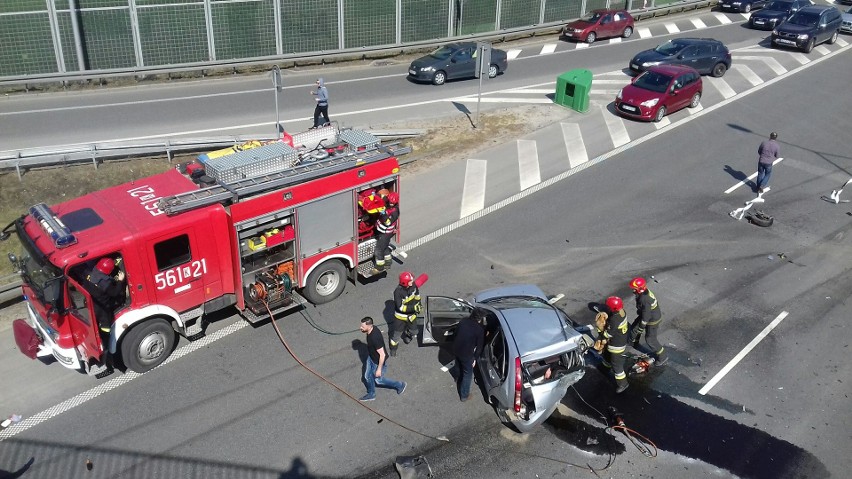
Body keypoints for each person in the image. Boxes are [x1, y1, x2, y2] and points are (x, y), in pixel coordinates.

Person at [359, 316, 406, 401]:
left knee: (379, 380)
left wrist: (379, 369)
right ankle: (371, 394)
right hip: (371, 357)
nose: (360, 328)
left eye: (362, 326)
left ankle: (400, 385)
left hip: (377, 362)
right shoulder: (372, 329)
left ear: (369, 326)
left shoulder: (374, 338)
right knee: (367, 376)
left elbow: (382, 355)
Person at [627, 277, 668, 366]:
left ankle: (662, 356)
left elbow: (646, 315)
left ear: (640, 289)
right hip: (646, 315)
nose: (633, 290)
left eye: (634, 288)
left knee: (650, 339)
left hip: (652, 320)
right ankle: (633, 342)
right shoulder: (643, 294)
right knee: (634, 328)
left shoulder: (644, 299)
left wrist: (642, 326)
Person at [593, 296, 630, 394]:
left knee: (616, 364)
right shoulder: (621, 312)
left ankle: (623, 383)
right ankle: (605, 367)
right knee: (607, 355)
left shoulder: (614, 319)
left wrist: (600, 331)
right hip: (617, 340)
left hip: (616, 345)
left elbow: (608, 334)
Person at [84, 257, 126, 334]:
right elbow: (114, 293)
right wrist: (120, 280)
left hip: (91, 302)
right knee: (105, 325)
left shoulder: (92, 272)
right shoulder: (105, 283)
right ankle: (105, 337)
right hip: (102, 307)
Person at [452, 308, 485, 401]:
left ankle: (457, 378)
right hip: (466, 355)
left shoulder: (463, 321)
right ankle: (464, 395)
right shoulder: (479, 330)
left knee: (458, 364)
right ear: (480, 319)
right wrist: (474, 358)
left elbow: (455, 334)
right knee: (468, 374)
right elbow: (479, 348)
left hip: (456, 348)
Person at [389, 271, 421, 356]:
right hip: (400, 318)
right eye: (411, 280)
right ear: (405, 282)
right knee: (396, 337)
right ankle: (393, 350)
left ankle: (408, 335)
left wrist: (419, 305)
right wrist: (413, 308)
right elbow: (400, 308)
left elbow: (417, 296)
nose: (413, 281)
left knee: (415, 332)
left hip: (411, 315)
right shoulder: (398, 292)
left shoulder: (413, 286)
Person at [371, 191, 399, 274]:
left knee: (378, 250)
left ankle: (379, 267)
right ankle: (388, 262)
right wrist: (375, 195)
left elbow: (387, 222)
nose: (390, 204)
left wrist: (383, 214)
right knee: (385, 247)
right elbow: (382, 198)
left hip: (386, 233)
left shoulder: (395, 212)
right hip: (381, 230)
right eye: (390, 202)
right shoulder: (387, 202)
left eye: (392, 203)